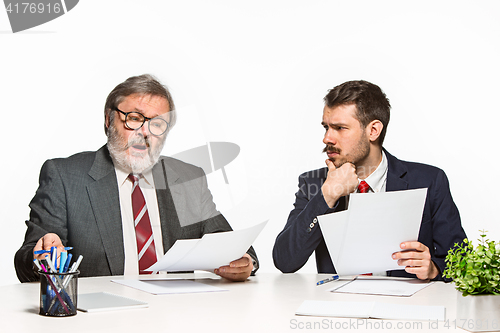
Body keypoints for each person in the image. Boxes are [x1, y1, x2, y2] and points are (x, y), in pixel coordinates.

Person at [15, 74, 258, 282]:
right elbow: (26, 261)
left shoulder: (187, 179)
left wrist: (244, 262)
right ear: (109, 120)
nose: (145, 132)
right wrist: (42, 256)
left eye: (158, 124)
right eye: (134, 118)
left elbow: (233, 245)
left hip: (176, 315)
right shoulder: (65, 176)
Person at [272, 80, 466, 280]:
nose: (327, 138)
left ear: (373, 131)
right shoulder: (314, 183)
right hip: (337, 306)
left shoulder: (429, 180)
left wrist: (434, 268)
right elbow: (285, 261)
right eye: (326, 127)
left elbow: (462, 261)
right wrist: (327, 196)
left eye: (339, 128)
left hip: (405, 306)